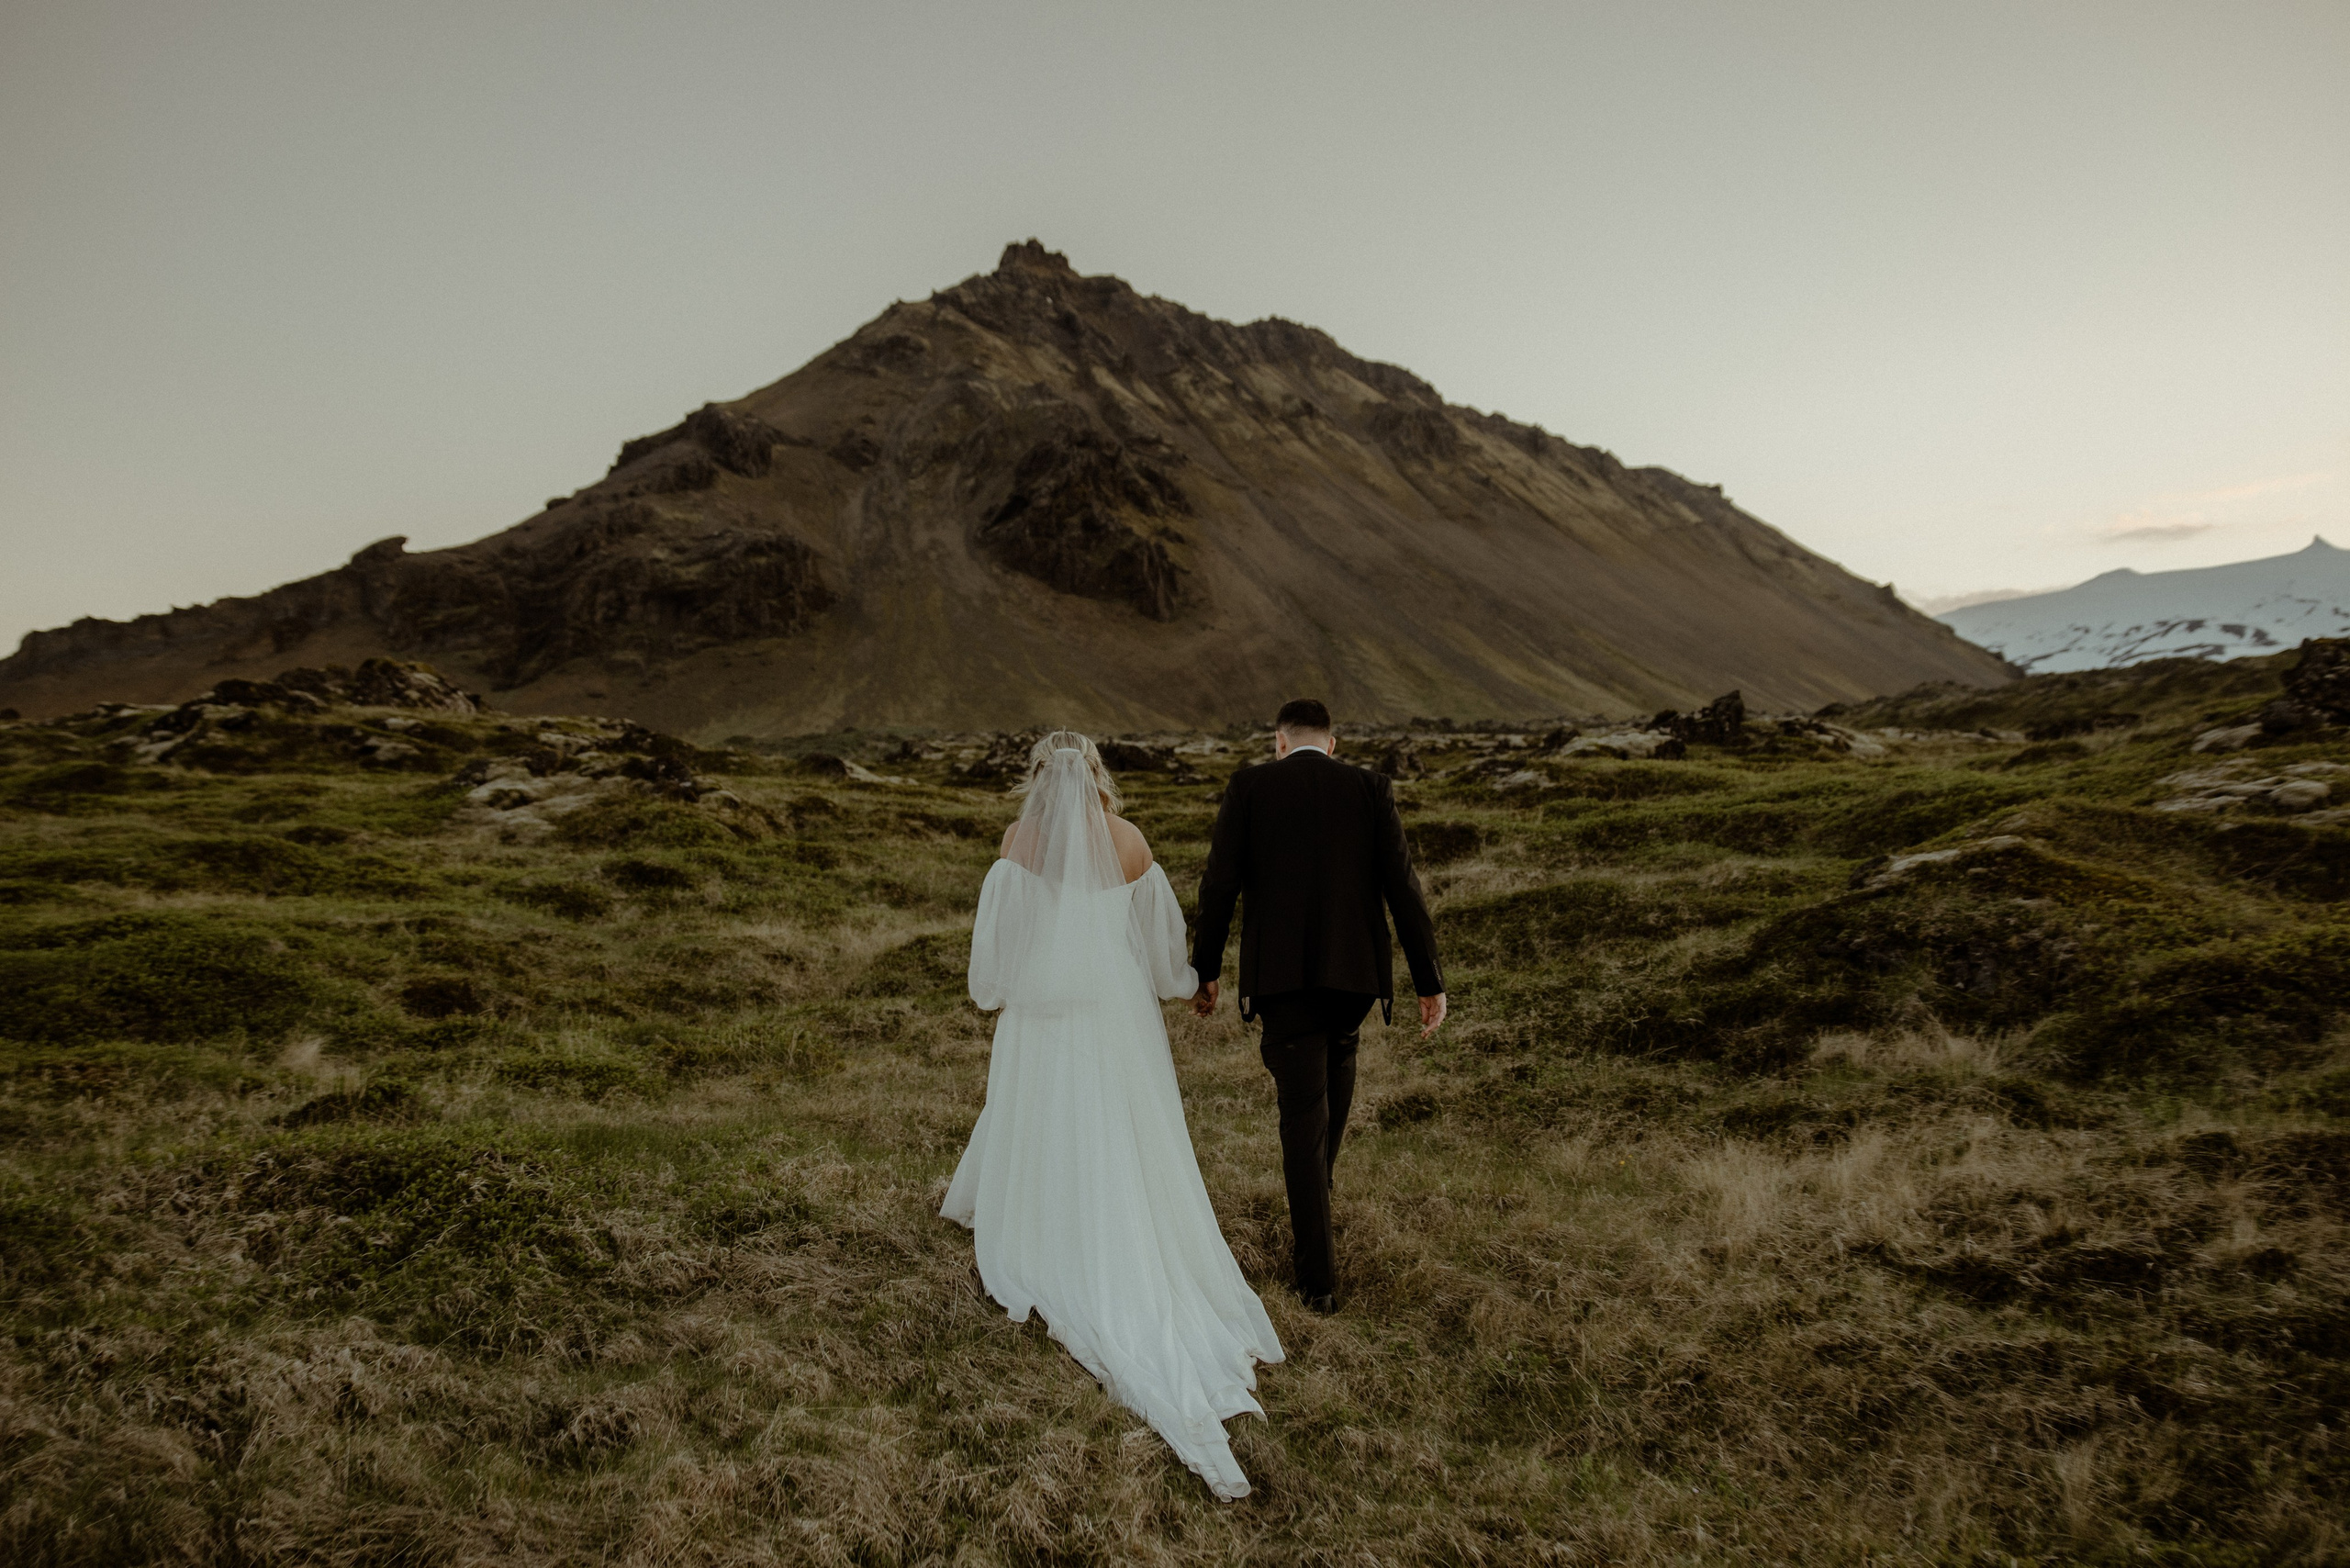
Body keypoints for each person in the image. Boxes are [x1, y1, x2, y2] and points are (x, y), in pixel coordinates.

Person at [941, 731, 1281, 1501]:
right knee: (1124, 1126)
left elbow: (998, 953)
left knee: (1045, 1112)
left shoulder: (1018, 840)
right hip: (1117, 1014)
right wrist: (1192, 980)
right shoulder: (1129, 843)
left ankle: (1043, 1212)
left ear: (1038, 780)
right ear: (1098, 776)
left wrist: (1008, 992)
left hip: (1043, 1013)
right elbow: (1160, 953)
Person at [1190, 699, 1447, 1314]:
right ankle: (1318, 1227)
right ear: (1331, 743)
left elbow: (1219, 883)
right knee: (1326, 1098)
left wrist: (1205, 969)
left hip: (1283, 982)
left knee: (1305, 1121)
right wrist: (1428, 979)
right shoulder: (1369, 787)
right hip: (1354, 980)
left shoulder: (1249, 786)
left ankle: (1317, 1282)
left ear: (1279, 741)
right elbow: (1402, 886)